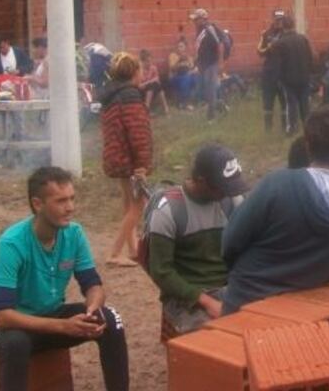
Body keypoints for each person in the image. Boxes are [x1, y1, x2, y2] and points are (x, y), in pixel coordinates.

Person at [221, 105, 329, 313]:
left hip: (247, 304)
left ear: (308, 146)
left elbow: (230, 243)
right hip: (308, 314)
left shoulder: (277, 185)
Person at [0, 167, 128, 391]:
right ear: (38, 204)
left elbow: (93, 284)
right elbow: (2, 316)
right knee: (16, 344)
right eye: (60, 201)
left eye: (72, 199)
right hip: (15, 326)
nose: (70, 207)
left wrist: (92, 309)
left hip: (51, 317)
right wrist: (62, 326)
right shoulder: (11, 243)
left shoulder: (74, 234)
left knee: (111, 319)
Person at [146, 145, 248, 334]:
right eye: (222, 188)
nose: (228, 194)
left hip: (230, 287)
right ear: (201, 181)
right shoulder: (169, 210)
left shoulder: (233, 202)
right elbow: (161, 272)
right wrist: (206, 301)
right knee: (214, 341)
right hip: (187, 297)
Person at [99, 52, 153, 267]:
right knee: (138, 205)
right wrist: (142, 164)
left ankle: (133, 249)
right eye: (140, 70)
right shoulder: (131, 98)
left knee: (128, 202)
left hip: (116, 156)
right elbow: (138, 133)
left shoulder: (111, 97)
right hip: (130, 159)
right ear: (133, 73)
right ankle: (114, 253)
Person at [272, 15, 314, 135]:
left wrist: (279, 79)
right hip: (304, 77)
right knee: (305, 104)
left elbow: (278, 64)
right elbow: (311, 57)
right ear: (294, 25)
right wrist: (309, 73)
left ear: (283, 26)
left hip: (289, 79)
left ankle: (292, 128)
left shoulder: (280, 43)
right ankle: (309, 128)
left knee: (291, 104)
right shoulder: (303, 39)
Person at [191, 8, 225, 120]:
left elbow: (219, 44)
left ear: (203, 19)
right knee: (204, 90)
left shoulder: (209, 30)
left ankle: (211, 118)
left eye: (196, 19)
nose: (194, 22)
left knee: (210, 90)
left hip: (211, 64)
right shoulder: (199, 31)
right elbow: (199, 49)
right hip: (203, 65)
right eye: (194, 20)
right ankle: (220, 105)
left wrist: (220, 63)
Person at [257, 11, 288, 132]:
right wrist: (269, 47)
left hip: (283, 72)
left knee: (284, 101)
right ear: (273, 20)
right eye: (276, 19)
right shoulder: (266, 34)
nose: (278, 22)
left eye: (281, 20)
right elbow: (259, 51)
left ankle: (286, 127)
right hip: (269, 72)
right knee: (268, 100)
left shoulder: (287, 35)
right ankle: (268, 128)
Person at [167, 39, 198, 110]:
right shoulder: (173, 55)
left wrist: (194, 70)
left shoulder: (188, 57)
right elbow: (172, 69)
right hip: (175, 77)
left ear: (185, 48)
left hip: (186, 77)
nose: (179, 48)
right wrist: (179, 60)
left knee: (195, 78)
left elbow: (192, 68)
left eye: (181, 46)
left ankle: (199, 100)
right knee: (186, 79)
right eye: (178, 47)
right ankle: (185, 103)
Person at [139, 49, 170, 115]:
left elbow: (157, 81)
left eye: (150, 61)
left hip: (151, 91)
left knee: (157, 86)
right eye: (147, 61)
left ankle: (165, 108)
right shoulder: (139, 70)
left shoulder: (153, 68)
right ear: (142, 61)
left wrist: (150, 82)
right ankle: (147, 109)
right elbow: (139, 86)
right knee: (152, 85)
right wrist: (150, 81)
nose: (150, 63)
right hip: (141, 92)